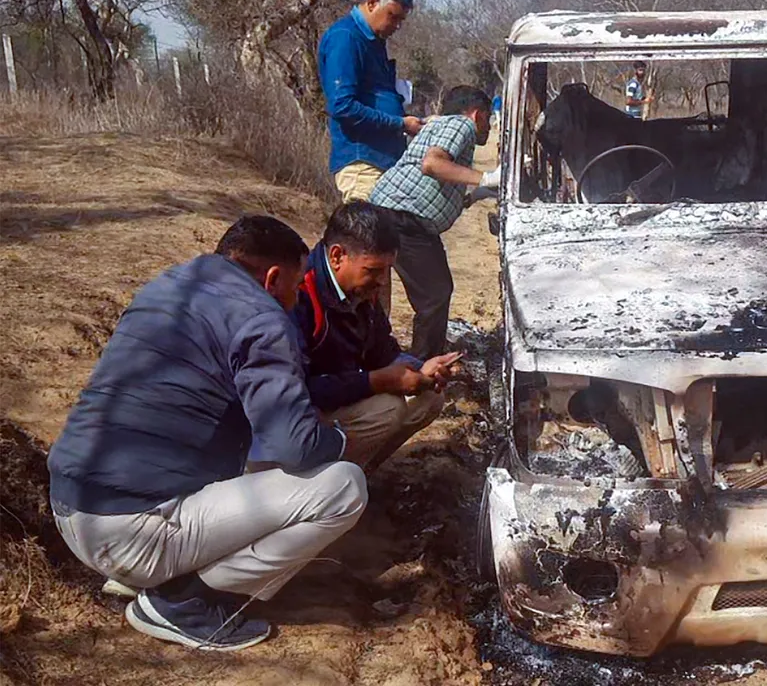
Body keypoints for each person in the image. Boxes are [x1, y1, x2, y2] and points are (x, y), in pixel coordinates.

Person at [46, 216, 361, 651]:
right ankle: (185, 601)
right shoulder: (262, 317)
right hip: (131, 531)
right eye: (296, 284)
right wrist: (339, 439)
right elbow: (294, 445)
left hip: (71, 506)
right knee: (343, 486)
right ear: (272, 278)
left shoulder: (171, 285)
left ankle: (147, 574)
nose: (297, 298)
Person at [293, 202, 462, 473]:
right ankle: (324, 484)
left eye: (387, 270)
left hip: (339, 395)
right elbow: (298, 390)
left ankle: (358, 473)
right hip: (302, 415)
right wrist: (377, 381)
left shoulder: (361, 290)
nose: (383, 280)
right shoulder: (300, 294)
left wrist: (421, 368)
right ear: (337, 256)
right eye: (373, 270)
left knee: (430, 398)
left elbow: (382, 350)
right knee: (387, 409)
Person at [369, 85, 498, 359]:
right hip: (404, 218)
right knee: (435, 295)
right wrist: (486, 178)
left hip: (392, 212)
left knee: (378, 292)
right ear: (477, 115)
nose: (488, 125)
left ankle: (384, 357)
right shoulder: (461, 125)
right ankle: (423, 369)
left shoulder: (441, 127)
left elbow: (436, 188)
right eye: (488, 117)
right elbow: (432, 165)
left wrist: (476, 195)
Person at [319, 0, 422, 203]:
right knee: (365, 235)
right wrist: (400, 124)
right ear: (373, 2)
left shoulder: (374, 42)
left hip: (381, 163)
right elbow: (342, 106)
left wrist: (407, 121)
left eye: (401, 20)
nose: (396, 26)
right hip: (363, 165)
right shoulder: (345, 38)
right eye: (393, 17)